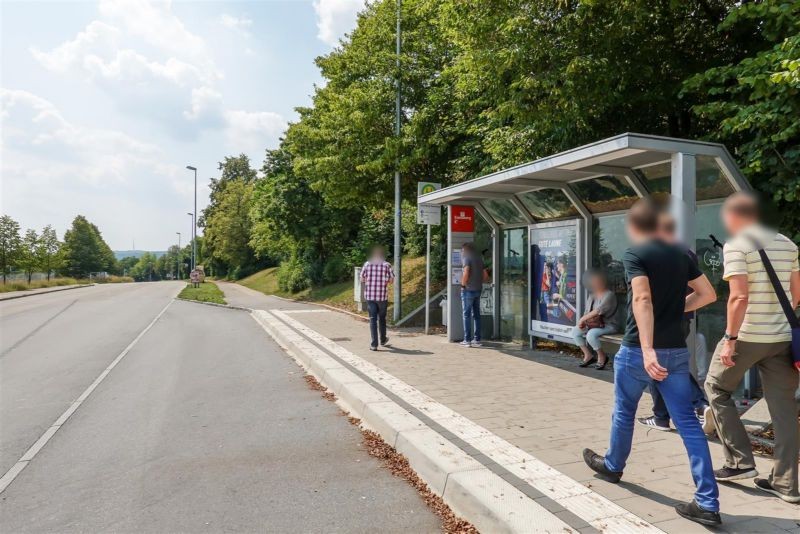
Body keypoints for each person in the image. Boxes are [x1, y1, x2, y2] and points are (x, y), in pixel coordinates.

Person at [582, 199, 721, 526]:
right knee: (687, 423)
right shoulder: (682, 255)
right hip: (676, 352)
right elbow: (707, 294)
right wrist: (674, 311)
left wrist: (647, 349)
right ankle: (707, 502)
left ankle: (614, 466)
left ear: (636, 227)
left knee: (624, 410)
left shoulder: (636, 254)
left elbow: (642, 298)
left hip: (638, 352)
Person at [704, 192, 800, 503]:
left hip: (746, 336)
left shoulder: (736, 244)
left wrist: (731, 339)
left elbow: (739, 297)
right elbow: (797, 296)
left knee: (716, 387)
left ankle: (739, 462)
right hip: (784, 339)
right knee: (784, 411)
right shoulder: (788, 243)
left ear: (737, 216)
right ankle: (786, 484)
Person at [637, 212, 715, 435]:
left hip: (666, 319)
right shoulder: (686, 252)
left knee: (663, 364)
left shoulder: (668, 254)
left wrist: (669, 307)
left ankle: (699, 405)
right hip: (680, 317)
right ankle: (661, 416)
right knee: (658, 364)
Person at [573, 269, 618, 370]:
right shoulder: (592, 295)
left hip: (609, 325)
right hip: (593, 324)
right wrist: (583, 322)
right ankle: (588, 356)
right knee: (575, 331)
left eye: (599, 281)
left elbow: (598, 311)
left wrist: (582, 319)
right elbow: (587, 312)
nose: (596, 284)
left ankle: (602, 356)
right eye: (594, 282)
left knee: (591, 334)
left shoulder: (609, 295)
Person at [360, 246, 395, 351]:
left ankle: (374, 344)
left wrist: (368, 281)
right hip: (382, 296)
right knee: (382, 319)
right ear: (381, 255)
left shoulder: (367, 264)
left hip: (370, 296)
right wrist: (384, 282)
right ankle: (383, 339)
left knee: (372, 320)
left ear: (373, 255)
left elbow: (362, 279)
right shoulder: (386, 265)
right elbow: (392, 280)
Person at [460, 242, 488, 347]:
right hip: (478, 289)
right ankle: (477, 339)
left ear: (466, 250)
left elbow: (466, 272)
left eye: (462, 251)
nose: (462, 253)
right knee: (476, 315)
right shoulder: (479, 259)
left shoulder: (467, 258)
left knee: (466, 315)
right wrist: (479, 282)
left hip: (468, 290)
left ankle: (467, 340)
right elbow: (485, 275)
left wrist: (463, 285)